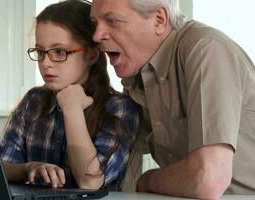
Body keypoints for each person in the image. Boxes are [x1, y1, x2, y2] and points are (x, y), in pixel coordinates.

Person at [90, 0, 255, 198]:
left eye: (112, 21)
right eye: (95, 23)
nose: (97, 36)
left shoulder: (205, 48)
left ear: (159, 19)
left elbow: (208, 180)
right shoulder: (138, 73)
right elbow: (115, 157)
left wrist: (148, 180)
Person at [0, 0, 139, 191]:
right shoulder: (34, 101)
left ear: (91, 55)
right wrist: (28, 168)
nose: (46, 63)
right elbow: (0, 168)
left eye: (59, 52)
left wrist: (72, 109)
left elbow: (90, 181)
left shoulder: (120, 108)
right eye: (40, 52)